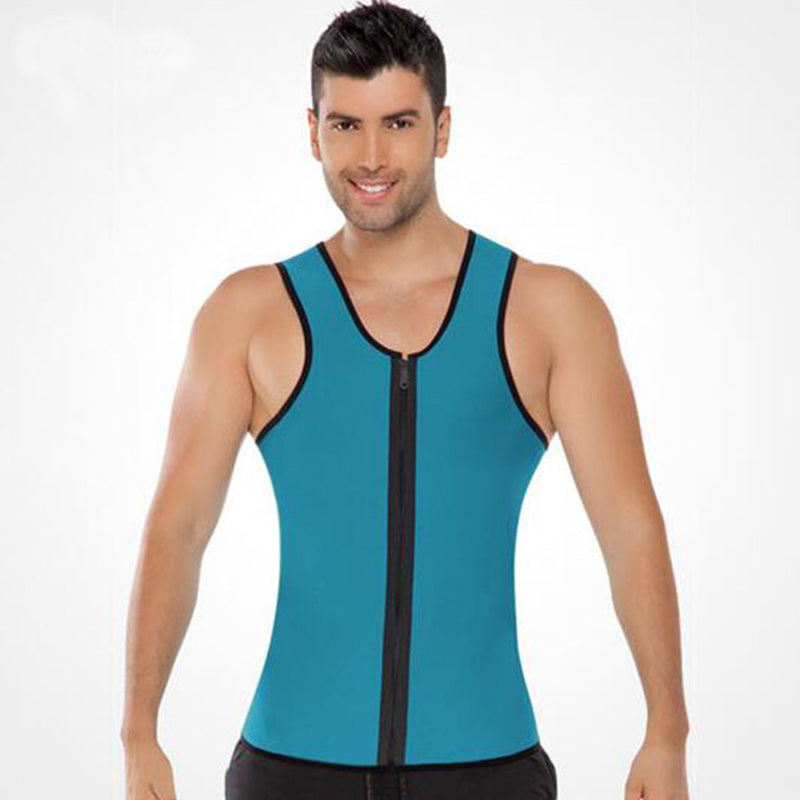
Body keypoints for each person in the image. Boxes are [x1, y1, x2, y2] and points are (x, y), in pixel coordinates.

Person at [121, 2, 691, 799]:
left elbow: (628, 526)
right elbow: (178, 528)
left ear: (442, 129)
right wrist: (139, 733)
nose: (371, 156)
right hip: (289, 770)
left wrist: (667, 731)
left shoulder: (548, 310)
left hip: (487, 770)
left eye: (398, 123)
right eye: (345, 125)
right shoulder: (248, 315)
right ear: (313, 133)